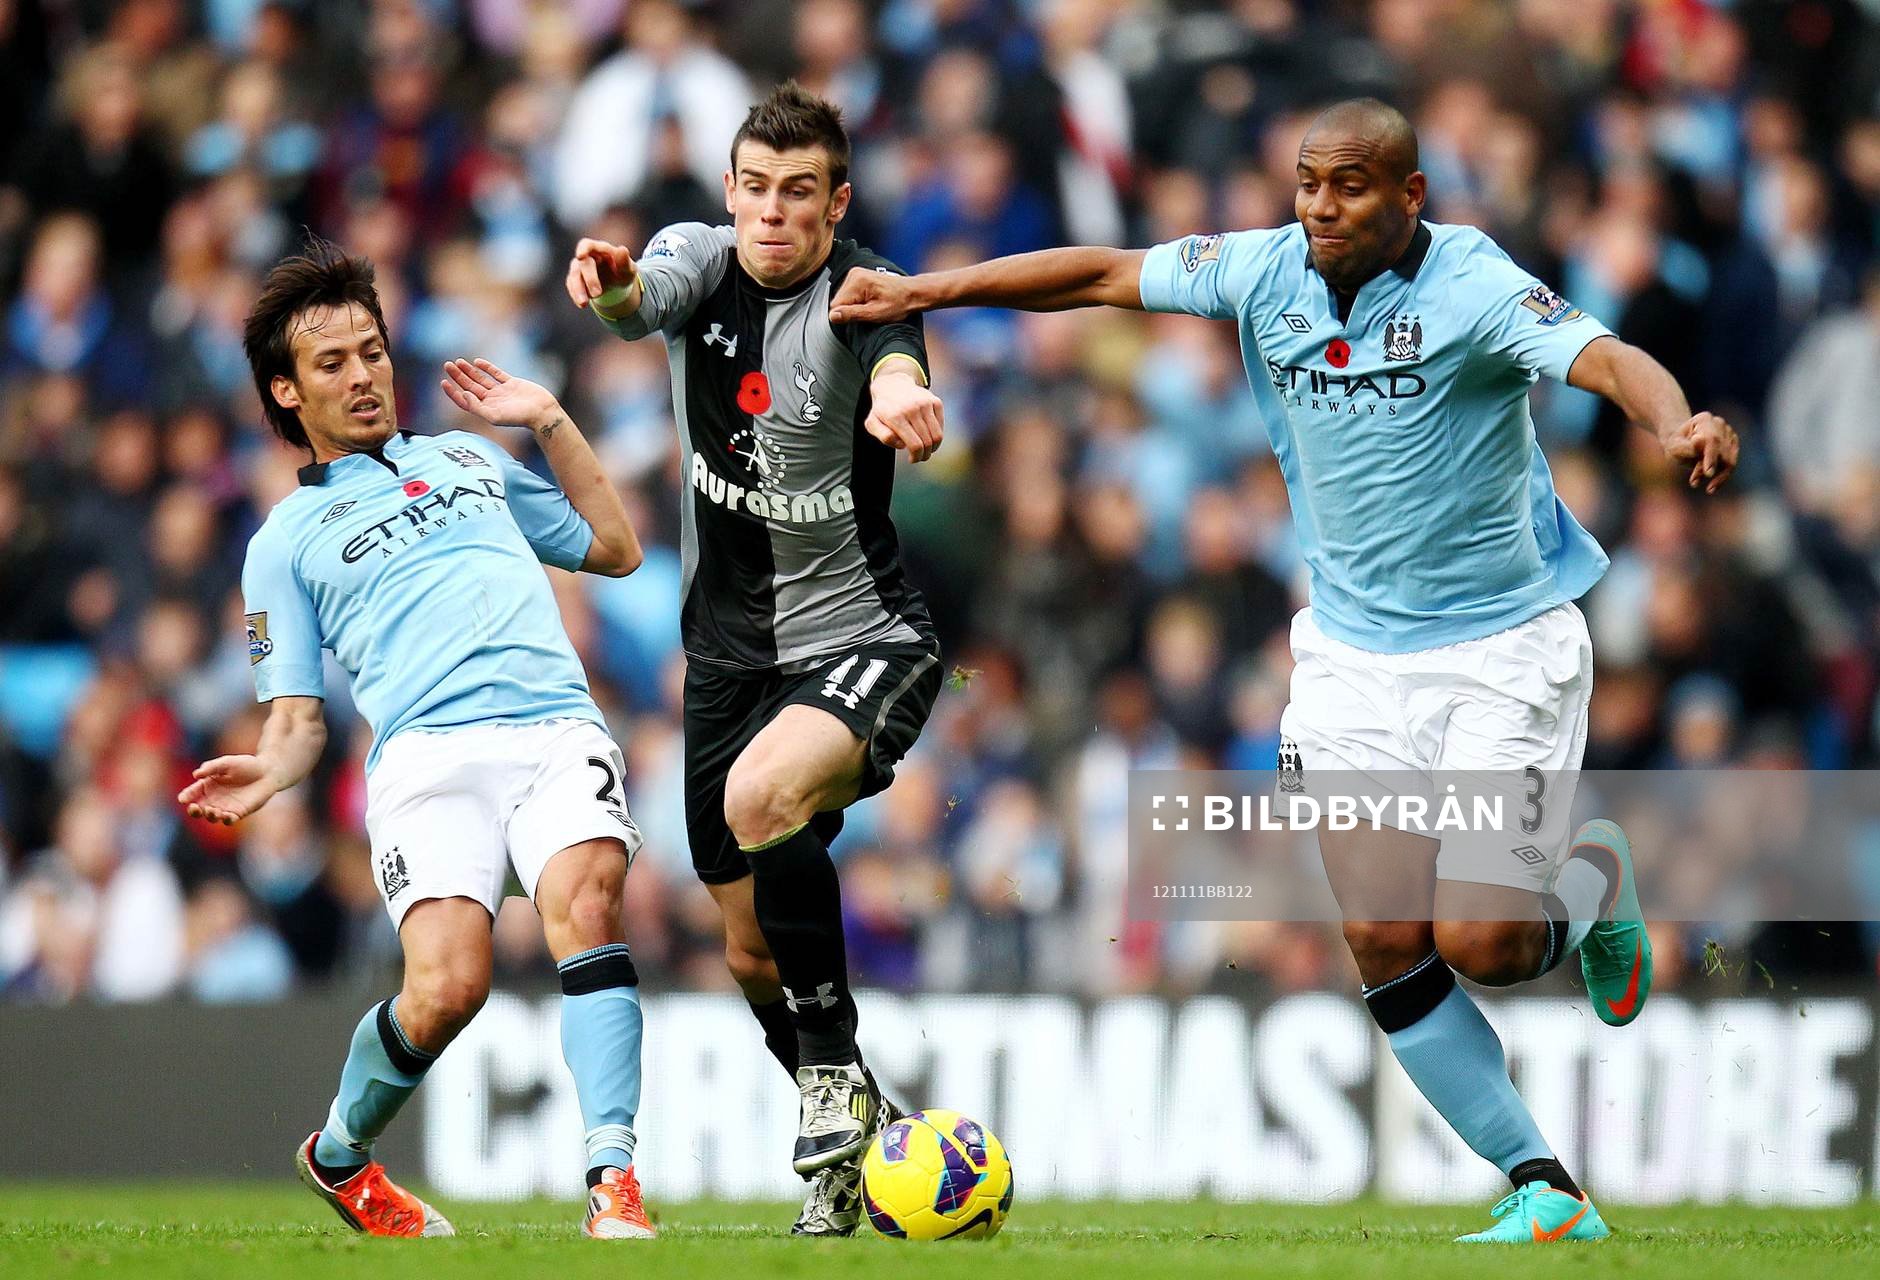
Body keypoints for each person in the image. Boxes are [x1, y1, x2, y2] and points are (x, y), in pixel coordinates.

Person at [830, 97, 1740, 1243]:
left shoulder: (1470, 281)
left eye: (1347, 185)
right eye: (1307, 182)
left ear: (1409, 194)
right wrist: (924, 295)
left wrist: (1676, 420)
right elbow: (1104, 274)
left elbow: (1602, 357)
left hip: (1499, 648)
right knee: (1380, 936)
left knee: (1484, 943)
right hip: (1351, 656)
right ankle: (1541, 1185)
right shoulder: (1261, 271)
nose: (1318, 205)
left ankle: (1591, 881)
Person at [177, 238, 657, 1240]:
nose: (362, 377)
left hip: (549, 726)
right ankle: (340, 1152)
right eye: (332, 362)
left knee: (587, 894)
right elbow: (300, 716)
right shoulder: (280, 546)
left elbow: (614, 548)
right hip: (424, 759)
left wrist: (552, 421)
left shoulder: (470, 457)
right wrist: (272, 769)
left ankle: (612, 1177)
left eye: (372, 351)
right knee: (447, 987)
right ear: (286, 391)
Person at [564, 81, 945, 1236]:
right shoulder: (698, 255)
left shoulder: (864, 291)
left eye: (798, 193)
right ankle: (863, 1142)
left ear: (837, 203)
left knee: (762, 792)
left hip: (867, 636)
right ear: (730, 191)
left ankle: (830, 1070)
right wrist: (617, 284)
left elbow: (894, 362)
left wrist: (903, 395)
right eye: (755, 189)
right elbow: (642, 302)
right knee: (743, 947)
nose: (772, 212)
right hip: (723, 660)